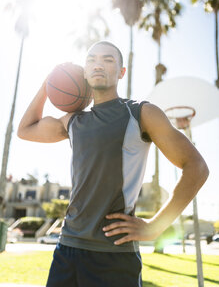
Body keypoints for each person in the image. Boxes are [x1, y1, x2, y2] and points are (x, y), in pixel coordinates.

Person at [17, 41, 209, 287]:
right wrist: (49, 81)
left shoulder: (141, 114)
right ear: (84, 73)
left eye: (108, 60)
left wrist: (156, 226)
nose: (98, 65)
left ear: (121, 72)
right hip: (67, 249)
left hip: (114, 255)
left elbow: (197, 167)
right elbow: (25, 129)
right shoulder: (73, 121)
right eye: (92, 60)